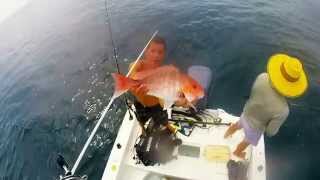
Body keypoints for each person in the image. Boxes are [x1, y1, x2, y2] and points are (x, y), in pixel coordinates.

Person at [224, 54, 308, 159]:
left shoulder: (262, 77)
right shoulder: (283, 110)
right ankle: (237, 152)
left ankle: (226, 134)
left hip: (245, 114)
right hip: (255, 128)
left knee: (237, 125)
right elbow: (270, 132)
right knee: (247, 141)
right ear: (293, 86)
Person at [128, 36, 177, 135]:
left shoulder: (163, 71)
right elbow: (132, 74)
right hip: (140, 103)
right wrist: (133, 72)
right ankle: (142, 128)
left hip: (156, 104)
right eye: (152, 51)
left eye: (160, 52)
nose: (156, 55)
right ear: (146, 51)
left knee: (162, 117)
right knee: (141, 118)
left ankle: (166, 124)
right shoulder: (138, 65)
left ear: (164, 55)